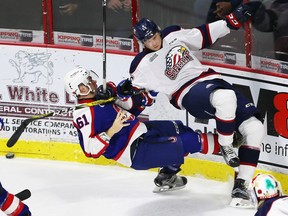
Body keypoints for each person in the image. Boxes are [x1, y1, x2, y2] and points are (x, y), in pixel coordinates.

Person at [117, 3, 265, 208]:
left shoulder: (172, 35)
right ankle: (226, 145)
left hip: (211, 80)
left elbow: (204, 34)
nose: (154, 41)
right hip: (186, 93)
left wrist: (233, 19)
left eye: (155, 36)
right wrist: (122, 91)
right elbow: (135, 95)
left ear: (159, 31)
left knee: (255, 128)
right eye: (148, 40)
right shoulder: (141, 64)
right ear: (141, 42)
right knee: (225, 98)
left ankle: (240, 188)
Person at [64, 67, 222, 192]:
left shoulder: (100, 98)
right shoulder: (84, 114)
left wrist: (127, 92)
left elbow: (129, 107)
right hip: (137, 150)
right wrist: (112, 130)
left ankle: (166, 176)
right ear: (81, 89)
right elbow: (90, 150)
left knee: (180, 129)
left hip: (143, 131)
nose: (93, 82)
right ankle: (231, 144)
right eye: (88, 81)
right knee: (192, 142)